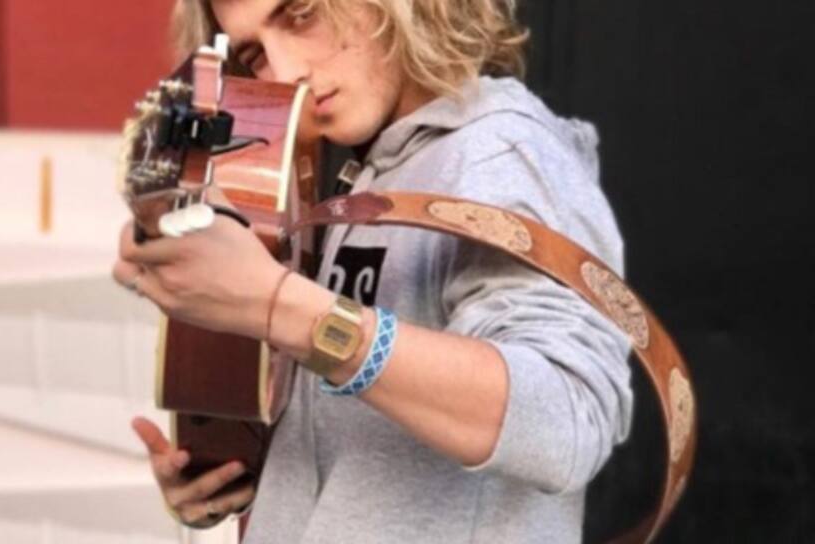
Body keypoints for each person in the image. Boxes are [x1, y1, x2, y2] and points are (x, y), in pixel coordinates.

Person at [111, 0, 634, 541]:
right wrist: (239, 474)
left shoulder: (499, 156)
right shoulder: (367, 170)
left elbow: (568, 418)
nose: (285, 72)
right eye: (255, 53)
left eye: (302, 14)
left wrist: (279, 305)